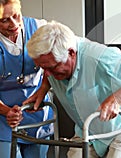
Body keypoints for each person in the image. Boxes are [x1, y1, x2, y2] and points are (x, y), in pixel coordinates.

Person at [24, 20, 121, 158]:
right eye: (43, 68)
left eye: (52, 68)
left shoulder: (99, 57)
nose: (47, 74)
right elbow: (48, 71)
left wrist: (116, 100)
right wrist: (43, 88)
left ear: (71, 53)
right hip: (89, 127)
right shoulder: (54, 61)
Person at [0, 0, 54, 158]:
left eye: (16, 15)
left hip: (36, 111)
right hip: (3, 118)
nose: (14, 24)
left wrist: (44, 88)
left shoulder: (40, 28)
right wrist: (7, 112)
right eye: (4, 20)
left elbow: (56, 61)